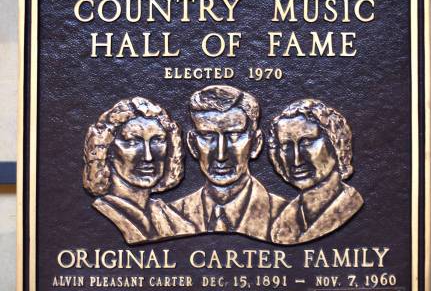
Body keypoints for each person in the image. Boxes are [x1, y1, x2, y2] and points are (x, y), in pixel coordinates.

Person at [170, 85, 286, 241]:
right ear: (192, 144)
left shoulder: (288, 217)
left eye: (234, 135)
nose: (220, 155)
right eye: (207, 135)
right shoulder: (169, 218)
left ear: (256, 143)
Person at [83, 96, 194, 244]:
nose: (148, 157)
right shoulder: (104, 214)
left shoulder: (175, 221)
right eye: (133, 142)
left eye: (157, 140)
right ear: (106, 150)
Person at [268, 98, 363, 244]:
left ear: (335, 143)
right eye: (286, 146)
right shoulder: (279, 227)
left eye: (306, 142)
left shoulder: (351, 207)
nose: (296, 160)